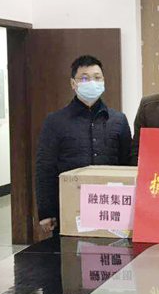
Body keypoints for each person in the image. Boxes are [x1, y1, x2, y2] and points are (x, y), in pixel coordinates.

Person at [35, 55, 132, 234]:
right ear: (73, 83)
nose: (92, 82)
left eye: (97, 77)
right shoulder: (55, 121)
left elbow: (128, 164)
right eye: (84, 78)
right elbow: (45, 167)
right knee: (71, 251)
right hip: (70, 205)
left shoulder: (118, 120)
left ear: (103, 81)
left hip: (111, 207)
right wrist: (46, 211)